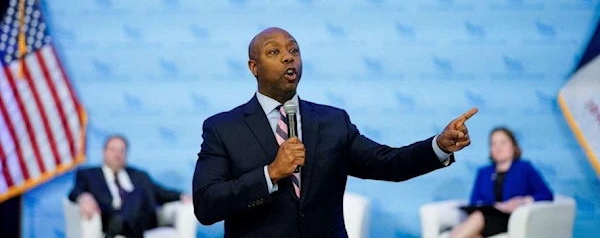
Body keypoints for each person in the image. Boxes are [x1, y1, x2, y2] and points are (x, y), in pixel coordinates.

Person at [192, 27, 478, 237]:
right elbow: (206, 205)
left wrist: (438, 146)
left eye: (294, 50)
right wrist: (270, 174)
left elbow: (388, 163)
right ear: (254, 67)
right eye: (274, 52)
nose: (288, 58)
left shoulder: (332, 121)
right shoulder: (223, 129)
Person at [68, 134, 192, 238]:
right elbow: (75, 191)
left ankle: (118, 226)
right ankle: (119, 223)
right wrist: (84, 196)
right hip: (109, 217)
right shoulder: (88, 174)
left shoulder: (139, 175)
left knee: (136, 193)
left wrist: (182, 196)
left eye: (122, 151)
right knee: (124, 209)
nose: (117, 155)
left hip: (142, 219)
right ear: (104, 151)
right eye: (113, 150)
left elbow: (161, 193)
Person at [448, 127, 553, 238]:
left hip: (510, 219)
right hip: (488, 215)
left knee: (477, 217)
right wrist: (497, 206)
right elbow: (474, 201)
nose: (498, 147)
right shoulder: (484, 172)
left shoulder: (524, 168)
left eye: (503, 142)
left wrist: (523, 201)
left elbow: (546, 194)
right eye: (494, 143)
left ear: (513, 146)